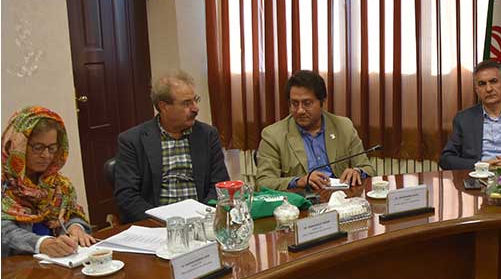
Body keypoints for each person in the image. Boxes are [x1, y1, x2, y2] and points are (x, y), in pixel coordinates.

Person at [114, 70, 229, 222]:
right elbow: (126, 196)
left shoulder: (207, 135)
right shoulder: (132, 140)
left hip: (201, 221)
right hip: (157, 224)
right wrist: (163, 222)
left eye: (195, 100)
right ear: (163, 106)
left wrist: (204, 218)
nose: (195, 108)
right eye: (186, 103)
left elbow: (220, 185)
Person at [256, 70, 375, 191]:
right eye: (295, 103)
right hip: (301, 199)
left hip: (342, 197)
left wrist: (357, 172)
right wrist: (298, 181)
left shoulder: (344, 127)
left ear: (323, 102)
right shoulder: (273, 135)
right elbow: (263, 183)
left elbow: (368, 168)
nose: (300, 110)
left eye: (307, 103)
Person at [1, 107, 96, 257]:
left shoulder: (59, 184)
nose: (46, 155)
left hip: (61, 261)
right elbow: (4, 232)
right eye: (38, 147)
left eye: (52, 148)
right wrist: (42, 244)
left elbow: (72, 214)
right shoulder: (4, 185)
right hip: (17, 266)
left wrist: (76, 227)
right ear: (17, 145)